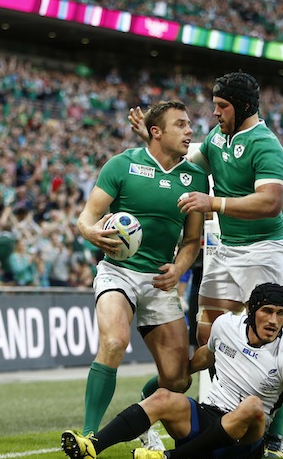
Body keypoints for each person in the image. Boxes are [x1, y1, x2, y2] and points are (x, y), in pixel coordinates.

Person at [130, 71, 283, 458]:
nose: (215, 113)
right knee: (209, 338)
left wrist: (214, 203)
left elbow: (271, 202)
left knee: (266, 339)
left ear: (243, 107)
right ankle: (205, 409)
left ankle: (273, 433)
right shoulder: (219, 140)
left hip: (263, 248)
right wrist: (150, 136)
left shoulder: (266, 145)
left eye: (222, 107)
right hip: (223, 251)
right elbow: (181, 158)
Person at [61, 283, 283, 459]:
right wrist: (176, 374)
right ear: (251, 310)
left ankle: (168, 457)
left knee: (253, 405)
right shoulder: (225, 326)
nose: (273, 320)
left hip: (244, 441)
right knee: (163, 396)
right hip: (207, 418)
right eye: (267, 310)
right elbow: (203, 358)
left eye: (281, 313)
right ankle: (92, 447)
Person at [75, 100, 208, 441]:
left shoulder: (193, 177)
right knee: (115, 341)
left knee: (178, 379)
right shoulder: (122, 165)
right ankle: (89, 436)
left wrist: (178, 269)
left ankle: (142, 408)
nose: (189, 130)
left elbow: (193, 240)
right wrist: (90, 232)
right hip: (117, 271)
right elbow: (86, 216)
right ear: (156, 132)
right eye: (181, 124)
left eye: (189, 123)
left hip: (160, 280)